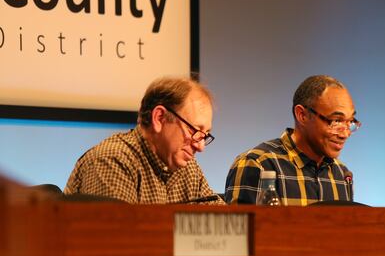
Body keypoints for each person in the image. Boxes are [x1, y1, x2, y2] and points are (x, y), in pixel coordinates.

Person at [64, 75, 225, 205]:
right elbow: (121, 240)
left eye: (205, 135)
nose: (200, 146)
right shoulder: (111, 161)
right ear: (159, 118)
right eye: (194, 130)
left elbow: (224, 225)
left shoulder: (188, 168)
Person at [225, 75, 359, 205]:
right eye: (336, 121)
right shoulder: (258, 164)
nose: (345, 134)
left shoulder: (342, 175)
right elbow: (240, 227)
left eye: (350, 122)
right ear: (302, 115)